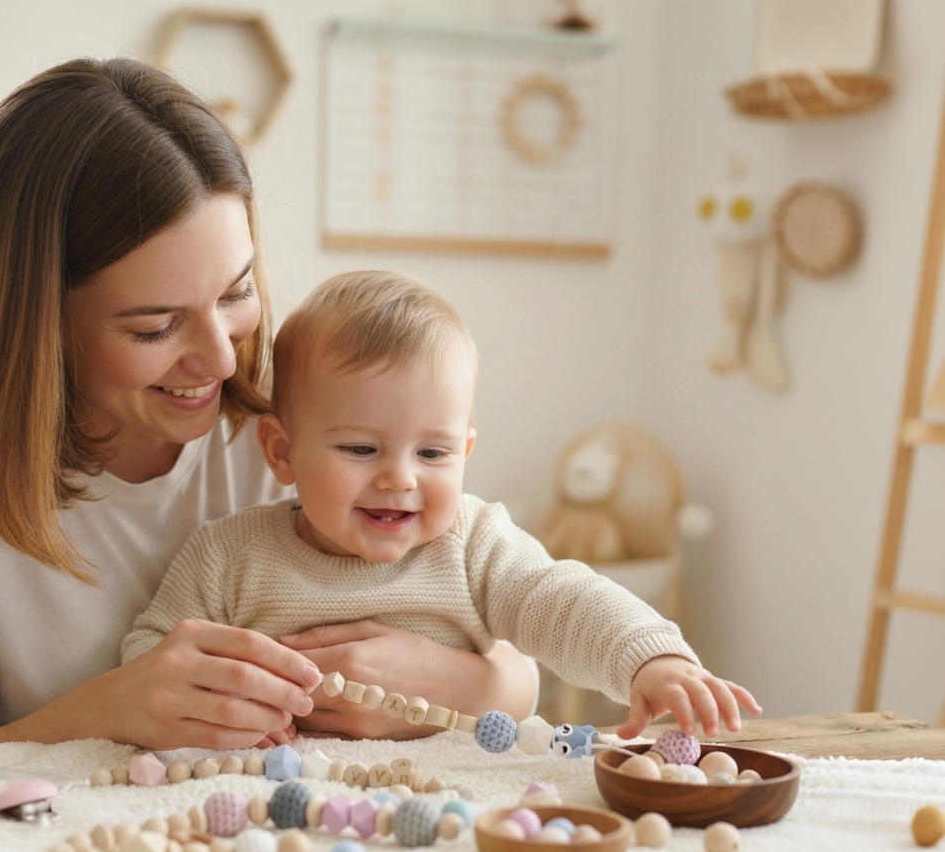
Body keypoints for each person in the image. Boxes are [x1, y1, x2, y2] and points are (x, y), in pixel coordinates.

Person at [0, 59, 534, 762]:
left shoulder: (299, 415)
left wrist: (451, 686)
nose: (224, 361)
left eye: (235, 294)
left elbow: (516, 660)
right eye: (155, 327)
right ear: (37, 324)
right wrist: (110, 709)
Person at [124, 271, 761, 740]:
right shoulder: (228, 556)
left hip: (450, 805)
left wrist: (650, 657)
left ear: (467, 450)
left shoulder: (473, 544)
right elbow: (151, 658)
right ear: (282, 452)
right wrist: (219, 711)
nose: (399, 480)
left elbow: (563, 601)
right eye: (360, 448)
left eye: (434, 455)